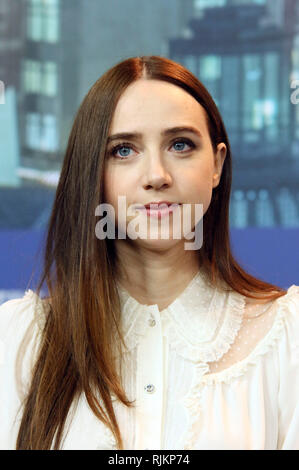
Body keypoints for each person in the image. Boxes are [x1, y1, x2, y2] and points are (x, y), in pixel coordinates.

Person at [0, 55, 298, 450]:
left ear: (217, 165)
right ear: (92, 171)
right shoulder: (22, 339)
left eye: (180, 145)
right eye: (123, 150)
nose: (157, 175)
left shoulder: (286, 338)